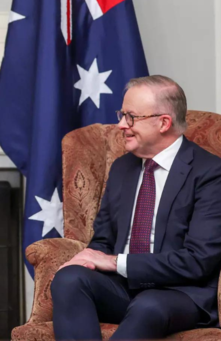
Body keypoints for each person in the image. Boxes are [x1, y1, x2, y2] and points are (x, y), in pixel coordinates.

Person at [51, 75, 221, 340]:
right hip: (123, 288)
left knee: (148, 305)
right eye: (122, 115)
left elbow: (198, 260)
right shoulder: (122, 168)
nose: (121, 125)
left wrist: (115, 262)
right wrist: (86, 259)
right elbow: (104, 240)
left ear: (163, 122)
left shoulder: (209, 172)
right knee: (69, 279)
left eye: (131, 117)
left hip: (181, 293)